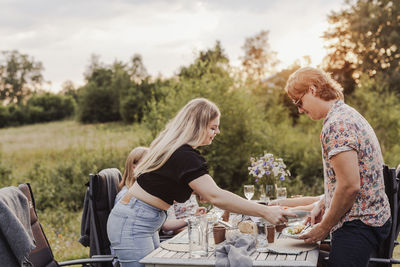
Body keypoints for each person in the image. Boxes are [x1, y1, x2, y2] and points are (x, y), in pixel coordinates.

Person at [107, 98, 295, 267]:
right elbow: (216, 196)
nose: (217, 132)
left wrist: (196, 191)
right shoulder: (184, 155)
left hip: (142, 220)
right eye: (213, 127)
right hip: (134, 223)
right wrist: (265, 211)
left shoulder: (176, 149)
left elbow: (166, 183)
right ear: (197, 126)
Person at [284, 67, 391, 266]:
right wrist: (322, 204)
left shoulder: (337, 125)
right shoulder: (346, 114)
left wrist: (324, 227)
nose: (299, 110)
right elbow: (351, 178)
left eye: (299, 102)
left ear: (313, 89)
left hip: (359, 225)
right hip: (370, 219)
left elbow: (350, 186)